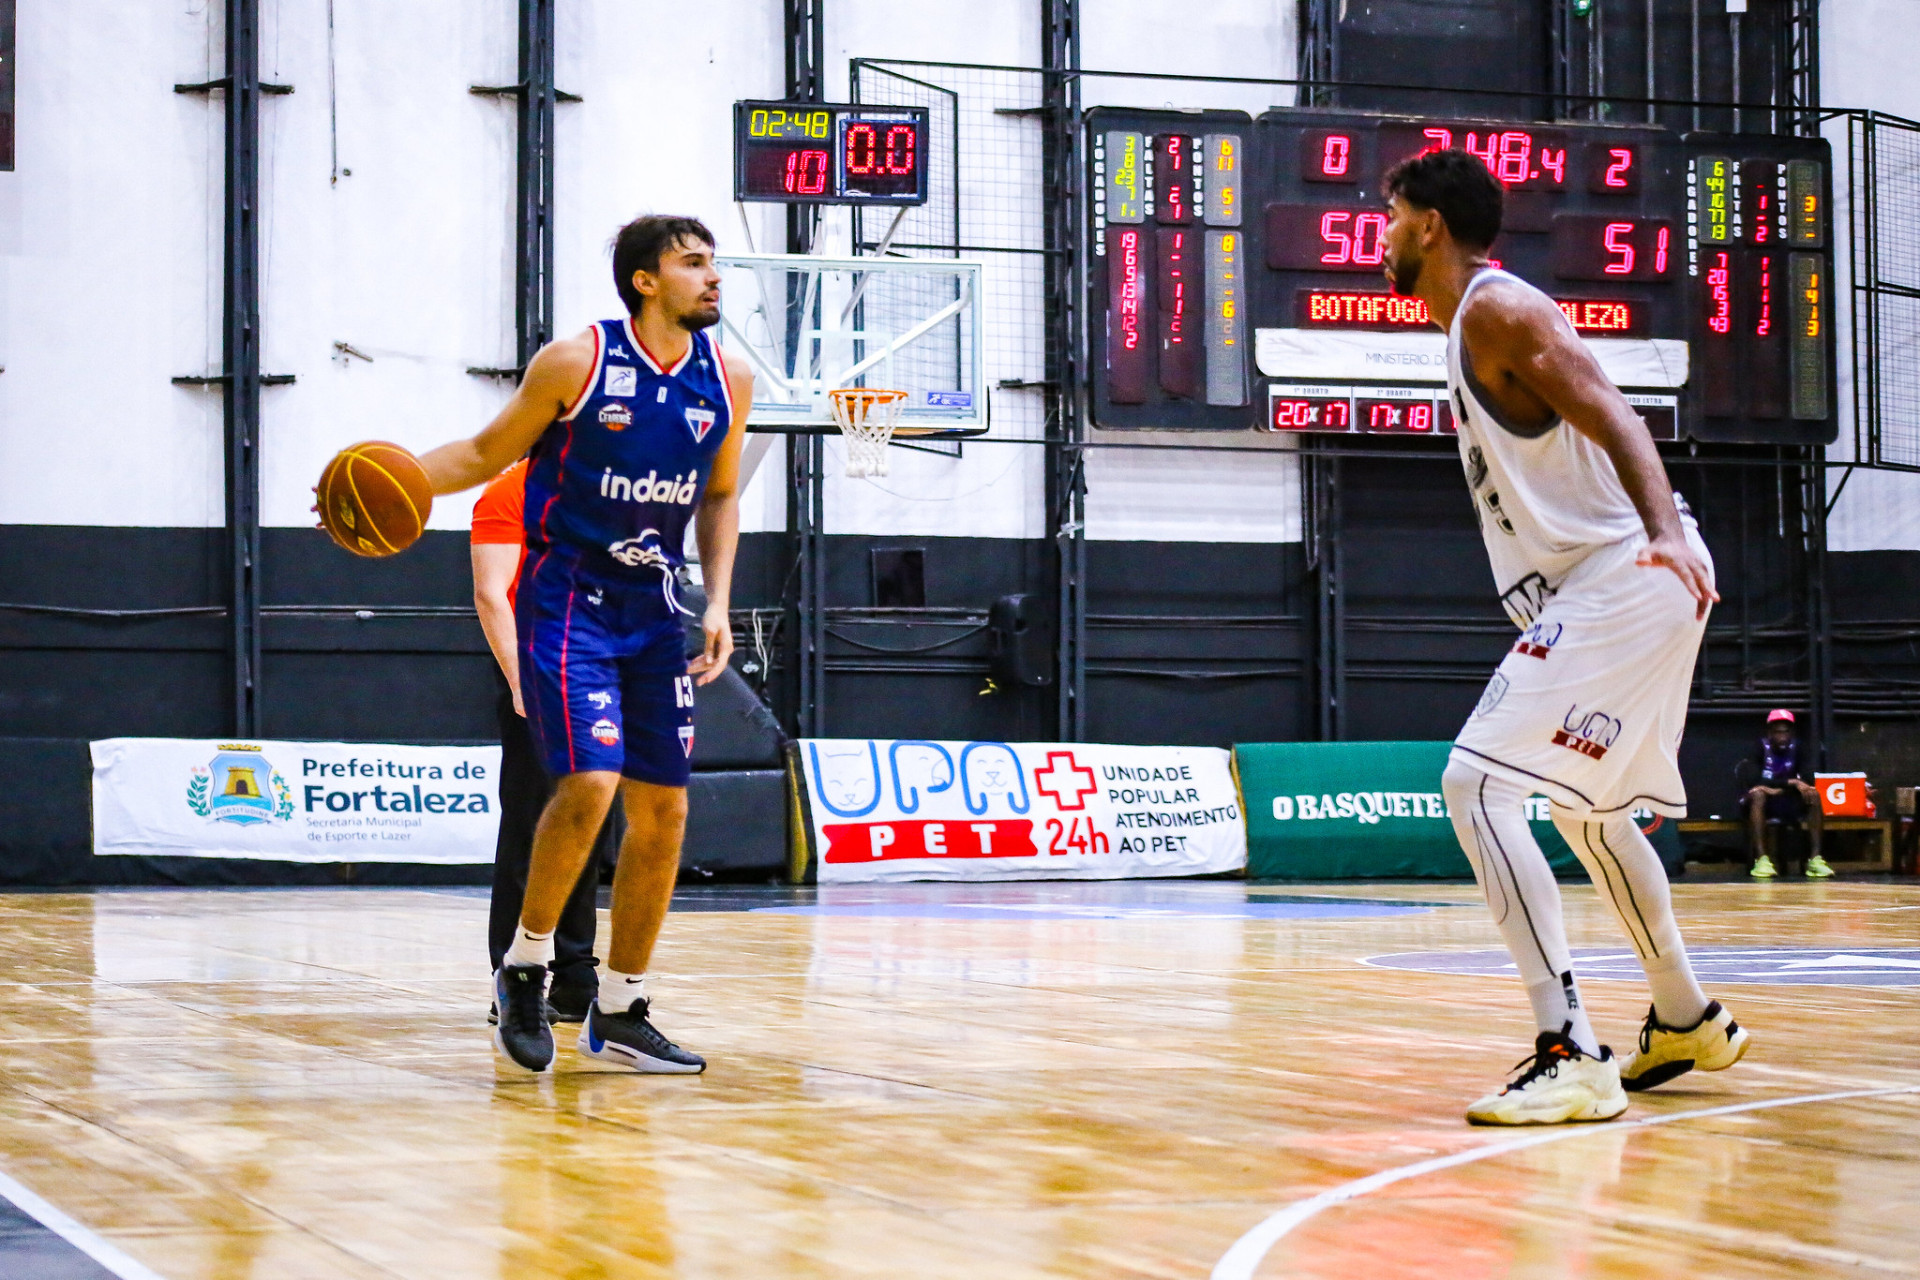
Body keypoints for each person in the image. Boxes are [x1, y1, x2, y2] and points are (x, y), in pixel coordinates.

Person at [1380, 150, 1750, 1125]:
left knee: (1476, 781)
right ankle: (1683, 1014)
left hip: (1633, 571)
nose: (1380, 234)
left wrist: (1666, 531)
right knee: (1591, 812)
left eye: (1389, 214)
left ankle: (1566, 1046)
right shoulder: (1471, 327)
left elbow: (1615, 409)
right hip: (1638, 578)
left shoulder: (1500, 309)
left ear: (1426, 223)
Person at [419, 214, 751, 1074]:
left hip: (653, 608)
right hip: (568, 602)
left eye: (712, 263)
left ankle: (623, 1003)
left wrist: (717, 601)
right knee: (590, 782)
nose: (713, 277)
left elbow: (719, 498)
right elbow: (487, 451)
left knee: (665, 812)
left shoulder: (729, 377)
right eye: (693, 263)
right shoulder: (577, 361)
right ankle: (524, 971)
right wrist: (399, 479)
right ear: (645, 280)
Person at [471, 458, 618, 1023]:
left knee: (590, 822)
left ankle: (576, 975)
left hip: (599, 670)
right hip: (537, 666)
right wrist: (518, 676)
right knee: (532, 824)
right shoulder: (509, 492)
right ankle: (511, 979)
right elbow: (491, 593)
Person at [1738, 708, 1830, 880]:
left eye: (1786, 732)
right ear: (1770, 733)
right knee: (1758, 794)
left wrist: (1779, 788)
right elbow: (1752, 779)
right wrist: (1792, 782)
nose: (1782, 736)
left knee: (1813, 795)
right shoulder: (1758, 747)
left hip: (1786, 799)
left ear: (1792, 733)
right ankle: (1762, 860)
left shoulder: (1799, 747)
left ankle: (1815, 860)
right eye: (1778, 732)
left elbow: (1809, 778)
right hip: (1763, 804)